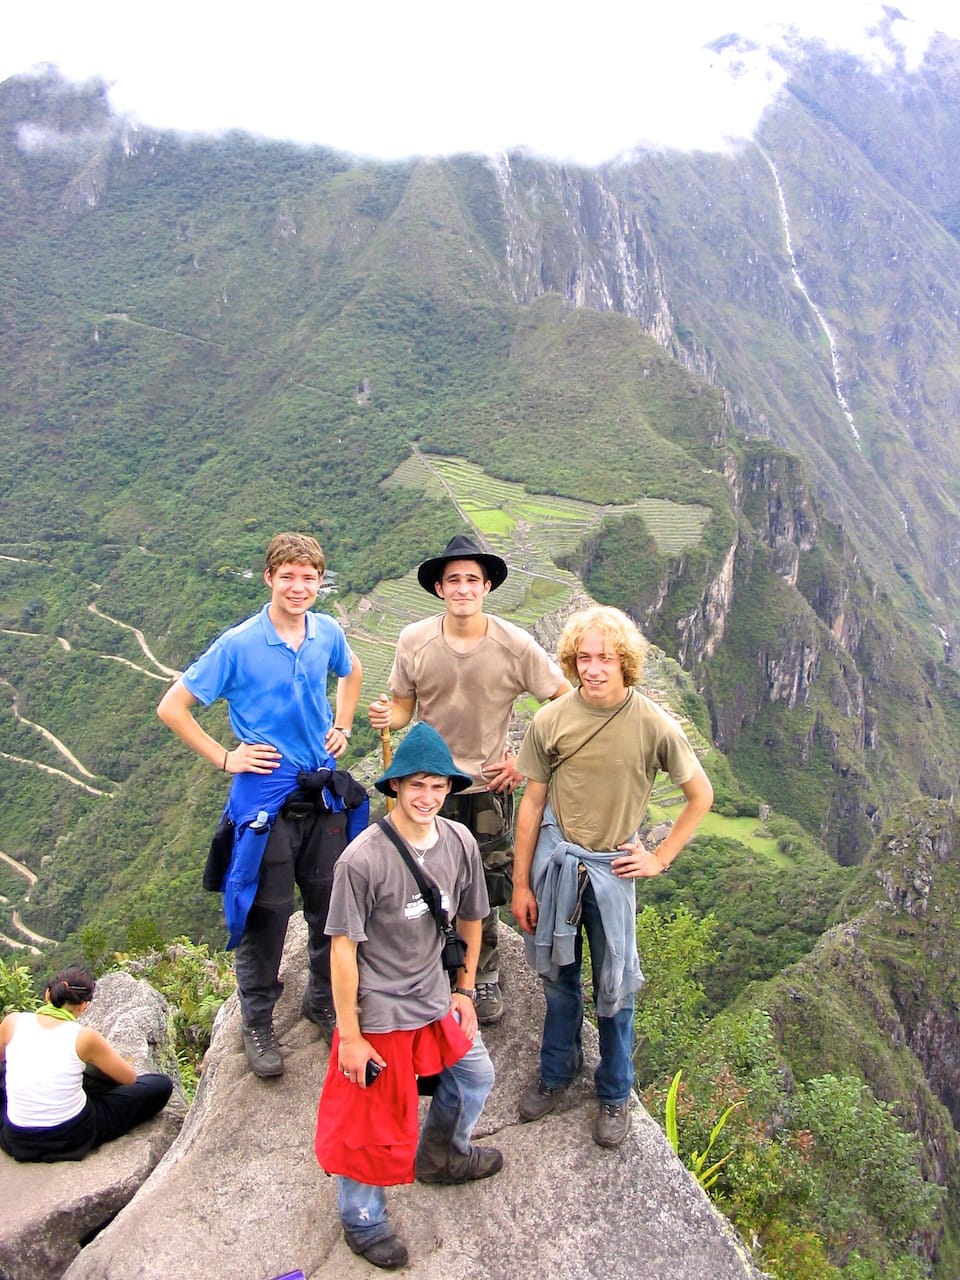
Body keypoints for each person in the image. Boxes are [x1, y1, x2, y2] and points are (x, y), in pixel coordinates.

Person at [157, 532, 363, 1078]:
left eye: (309, 577)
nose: (298, 587)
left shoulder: (327, 633)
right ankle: (257, 1020)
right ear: (269, 578)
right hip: (264, 798)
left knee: (329, 905)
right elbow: (173, 707)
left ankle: (322, 1000)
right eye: (287, 576)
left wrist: (341, 725)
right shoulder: (239, 643)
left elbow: (352, 671)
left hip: (317, 791)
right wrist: (227, 758)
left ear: (320, 582)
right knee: (264, 913)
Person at [511, 605, 714, 1148]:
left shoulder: (653, 724)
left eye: (605, 658)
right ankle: (557, 1071)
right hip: (556, 863)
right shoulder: (550, 720)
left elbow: (701, 796)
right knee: (558, 978)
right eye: (584, 658)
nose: (594, 668)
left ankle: (616, 1092)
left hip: (611, 871)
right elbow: (530, 806)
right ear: (572, 663)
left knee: (615, 988)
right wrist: (521, 883)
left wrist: (658, 857)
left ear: (624, 661)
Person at [315, 721, 501, 1270]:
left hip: (434, 995)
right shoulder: (363, 859)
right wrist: (349, 1036)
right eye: (417, 785)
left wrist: (464, 988)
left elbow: (471, 917)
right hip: (379, 1006)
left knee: (475, 1076)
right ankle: (361, 1216)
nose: (428, 797)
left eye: (438, 786)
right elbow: (343, 950)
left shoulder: (460, 842)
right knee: (371, 1117)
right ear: (395, 786)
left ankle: (442, 1153)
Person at [368, 532, 570, 1025]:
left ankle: (483, 977)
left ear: (486, 587)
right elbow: (403, 706)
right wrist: (387, 717)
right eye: (453, 580)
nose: (463, 589)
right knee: (419, 880)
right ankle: (429, 971)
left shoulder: (513, 643)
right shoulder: (414, 640)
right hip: (426, 785)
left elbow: (562, 701)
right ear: (439, 588)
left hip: (483, 786)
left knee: (480, 887)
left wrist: (523, 760)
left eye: (472, 580)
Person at [0, 966, 173, 1163]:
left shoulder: (13, 1022)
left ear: (47, 994)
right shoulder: (84, 1037)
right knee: (160, 1084)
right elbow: (129, 1078)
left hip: (16, 1136)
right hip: (71, 1135)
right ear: (84, 1005)